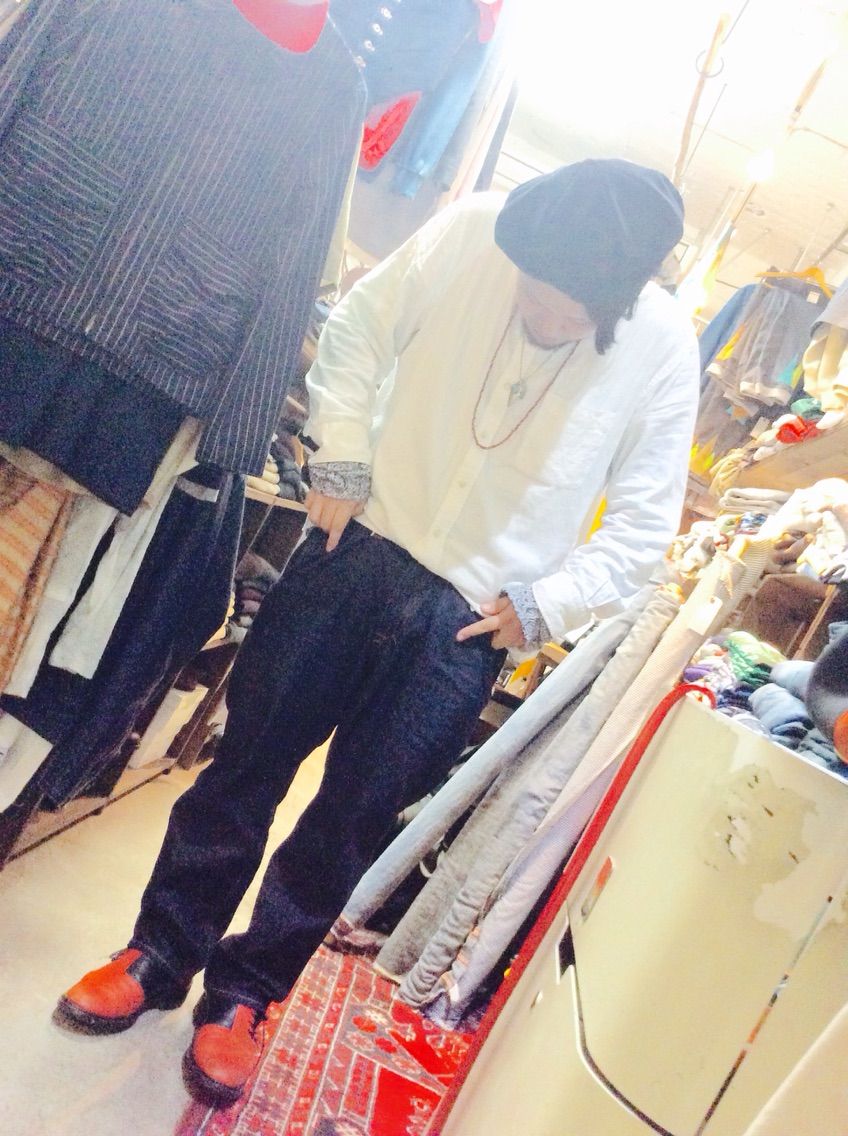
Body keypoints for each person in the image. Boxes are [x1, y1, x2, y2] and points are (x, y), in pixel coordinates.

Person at [56, 159, 700, 1107]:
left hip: (470, 619)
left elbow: (647, 523)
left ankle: (245, 995)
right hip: (354, 543)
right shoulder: (475, 230)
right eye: (533, 291)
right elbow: (359, 328)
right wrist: (343, 456)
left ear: (622, 299)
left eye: (569, 314)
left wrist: (546, 604)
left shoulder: (666, 345)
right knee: (247, 764)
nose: (543, 315)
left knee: (352, 819)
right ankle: (160, 950)